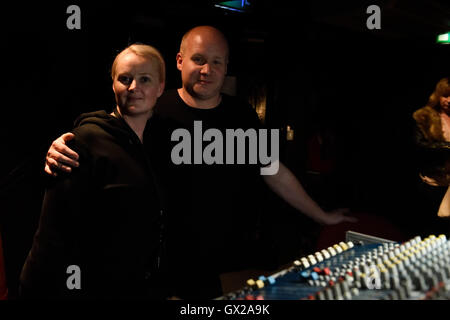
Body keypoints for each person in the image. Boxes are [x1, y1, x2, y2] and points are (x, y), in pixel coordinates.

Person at [43, 26, 355, 299]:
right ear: (180, 61)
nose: (207, 70)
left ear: (226, 66)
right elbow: (106, 130)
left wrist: (322, 216)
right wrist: (65, 142)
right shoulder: (156, 108)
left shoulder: (242, 115)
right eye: (199, 60)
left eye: (216, 62)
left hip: (222, 267)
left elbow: (272, 170)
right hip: (159, 266)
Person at [19, 44, 167, 299]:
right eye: (125, 79)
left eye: (145, 79)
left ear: (160, 87)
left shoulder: (162, 140)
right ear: (113, 84)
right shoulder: (83, 141)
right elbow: (52, 236)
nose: (134, 88)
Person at [412, 77, 450, 219]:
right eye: (445, 95)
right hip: (432, 182)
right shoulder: (424, 116)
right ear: (438, 95)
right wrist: (447, 146)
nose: (449, 100)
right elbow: (420, 145)